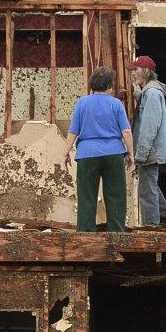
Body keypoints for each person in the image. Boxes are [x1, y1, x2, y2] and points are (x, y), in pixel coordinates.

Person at [64, 67, 134, 232]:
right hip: (114, 153)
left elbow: (73, 131)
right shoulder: (116, 104)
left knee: (86, 196)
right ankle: (117, 234)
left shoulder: (82, 103)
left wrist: (65, 152)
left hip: (87, 154)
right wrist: (131, 153)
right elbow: (126, 132)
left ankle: (86, 235)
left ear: (92, 85)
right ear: (110, 86)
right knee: (116, 196)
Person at [129, 55, 166, 228]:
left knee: (146, 190)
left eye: (136, 69)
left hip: (150, 151)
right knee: (150, 184)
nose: (133, 73)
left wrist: (140, 154)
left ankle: (151, 225)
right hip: (152, 150)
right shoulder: (149, 93)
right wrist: (137, 95)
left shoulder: (152, 94)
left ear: (146, 71)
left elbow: (150, 126)